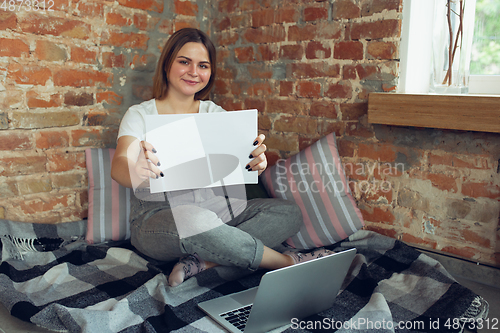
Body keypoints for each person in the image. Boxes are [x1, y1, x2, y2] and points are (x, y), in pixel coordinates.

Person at [111, 28, 333, 287]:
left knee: (289, 213)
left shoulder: (214, 114)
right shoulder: (139, 114)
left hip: (215, 212)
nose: (194, 72)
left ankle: (204, 261)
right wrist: (136, 171)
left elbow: (235, 167)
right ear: (167, 64)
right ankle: (288, 263)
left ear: (210, 72)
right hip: (157, 220)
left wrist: (255, 164)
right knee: (195, 220)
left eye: (203, 65)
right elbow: (119, 165)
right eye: (184, 62)